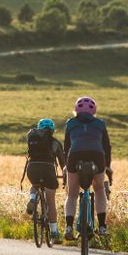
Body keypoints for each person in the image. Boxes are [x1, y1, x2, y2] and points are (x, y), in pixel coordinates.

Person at [63, 97, 112, 240]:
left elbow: (66, 146)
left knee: (72, 194)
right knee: (99, 190)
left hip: (75, 155)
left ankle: (69, 226)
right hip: (97, 155)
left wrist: (67, 165)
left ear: (76, 110)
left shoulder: (71, 123)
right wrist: (107, 165)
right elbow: (106, 146)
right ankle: (102, 226)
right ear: (94, 111)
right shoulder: (100, 123)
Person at [24, 118, 67, 242]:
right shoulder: (55, 143)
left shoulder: (33, 138)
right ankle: (54, 231)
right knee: (51, 201)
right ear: (52, 130)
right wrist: (65, 178)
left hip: (32, 167)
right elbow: (63, 164)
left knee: (34, 185)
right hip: (48, 169)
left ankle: (32, 198)